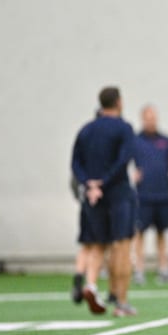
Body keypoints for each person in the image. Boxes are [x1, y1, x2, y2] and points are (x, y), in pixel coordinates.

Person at [71, 86, 137, 317]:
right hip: (117, 193)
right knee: (122, 246)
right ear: (119, 102)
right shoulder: (124, 128)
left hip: (93, 197)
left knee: (97, 244)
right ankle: (121, 302)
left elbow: (75, 163)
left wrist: (89, 184)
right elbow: (124, 160)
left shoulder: (86, 130)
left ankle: (91, 286)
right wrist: (104, 182)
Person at [132, 105, 168, 285]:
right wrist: (131, 178)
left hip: (162, 195)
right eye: (148, 117)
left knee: (162, 233)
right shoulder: (135, 141)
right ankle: (139, 270)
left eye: (153, 117)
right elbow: (121, 163)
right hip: (143, 197)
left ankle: (164, 269)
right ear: (143, 119)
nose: (151, 120)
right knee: (139, 233)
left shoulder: (166, 141)